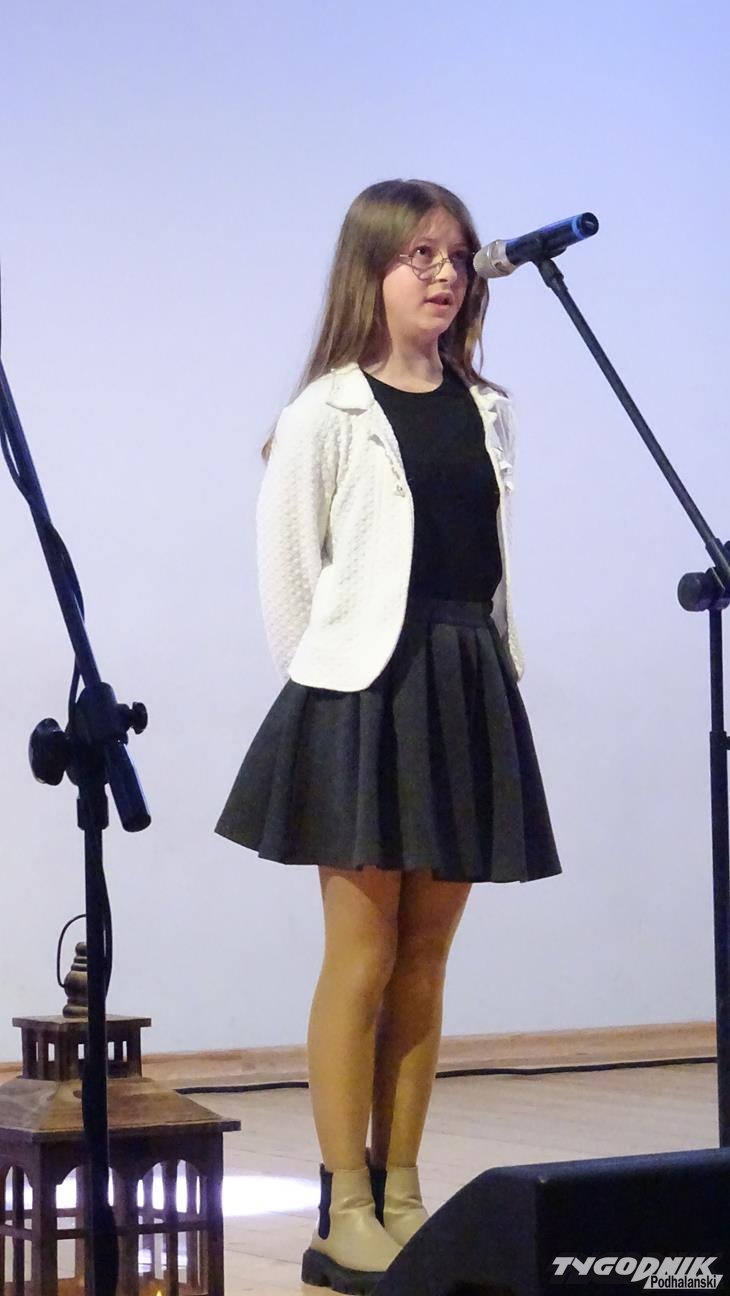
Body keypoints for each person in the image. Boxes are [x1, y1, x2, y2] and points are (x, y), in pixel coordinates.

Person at [215, 178, 563, 1295]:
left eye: (456, 254)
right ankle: (345, 1209)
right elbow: (289, 587)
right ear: (369, 270)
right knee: (361, 959)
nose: (445, 273)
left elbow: (489, 561)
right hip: (361, 694)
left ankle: (403, 1193)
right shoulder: (325, 412)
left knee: (425, 961)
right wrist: (335, 704)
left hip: (463, 678)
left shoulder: (485, 406)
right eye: (420, 254)